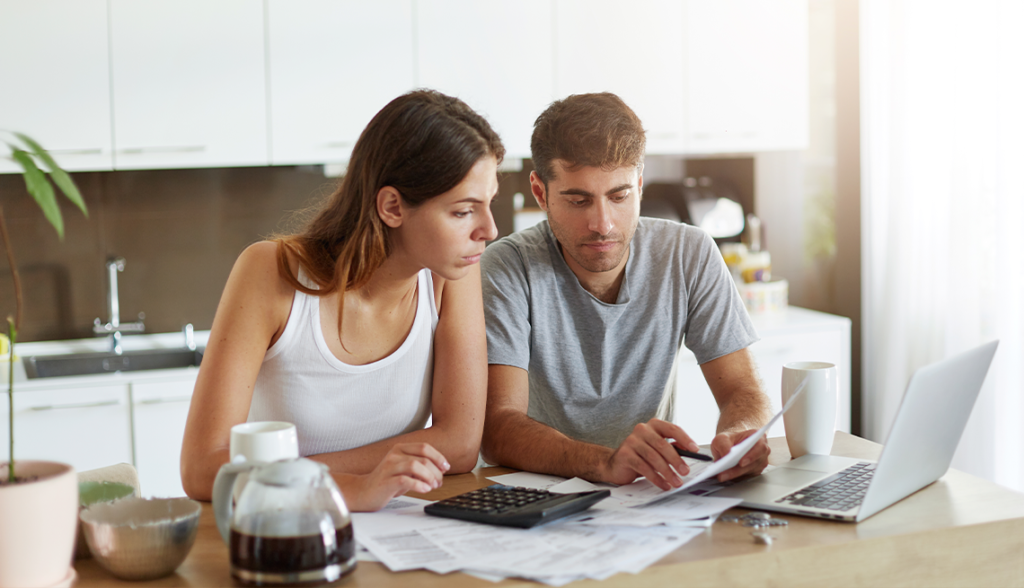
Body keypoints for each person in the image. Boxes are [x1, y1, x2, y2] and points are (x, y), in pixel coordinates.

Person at [181, 90, 503, 511]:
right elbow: (203, 468)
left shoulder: (451, 273)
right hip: (283, 532)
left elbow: (458, 445)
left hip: (396, 527)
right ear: (392, 206)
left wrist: (284, 474)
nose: (489, 230)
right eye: (463, 211)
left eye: (489, 204)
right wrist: (342, 488)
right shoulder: (270, 273)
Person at [480, 93, 772, 491]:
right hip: (536, 493)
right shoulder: (506, 268)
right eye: (578, 200)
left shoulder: (689, 253)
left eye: (619, 197)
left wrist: (742, 436)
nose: (603, 224)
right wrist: (605, 462)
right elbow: (498, 428)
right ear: (540, 192)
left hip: (645, 493)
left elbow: (743, 390)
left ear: (638, 184)